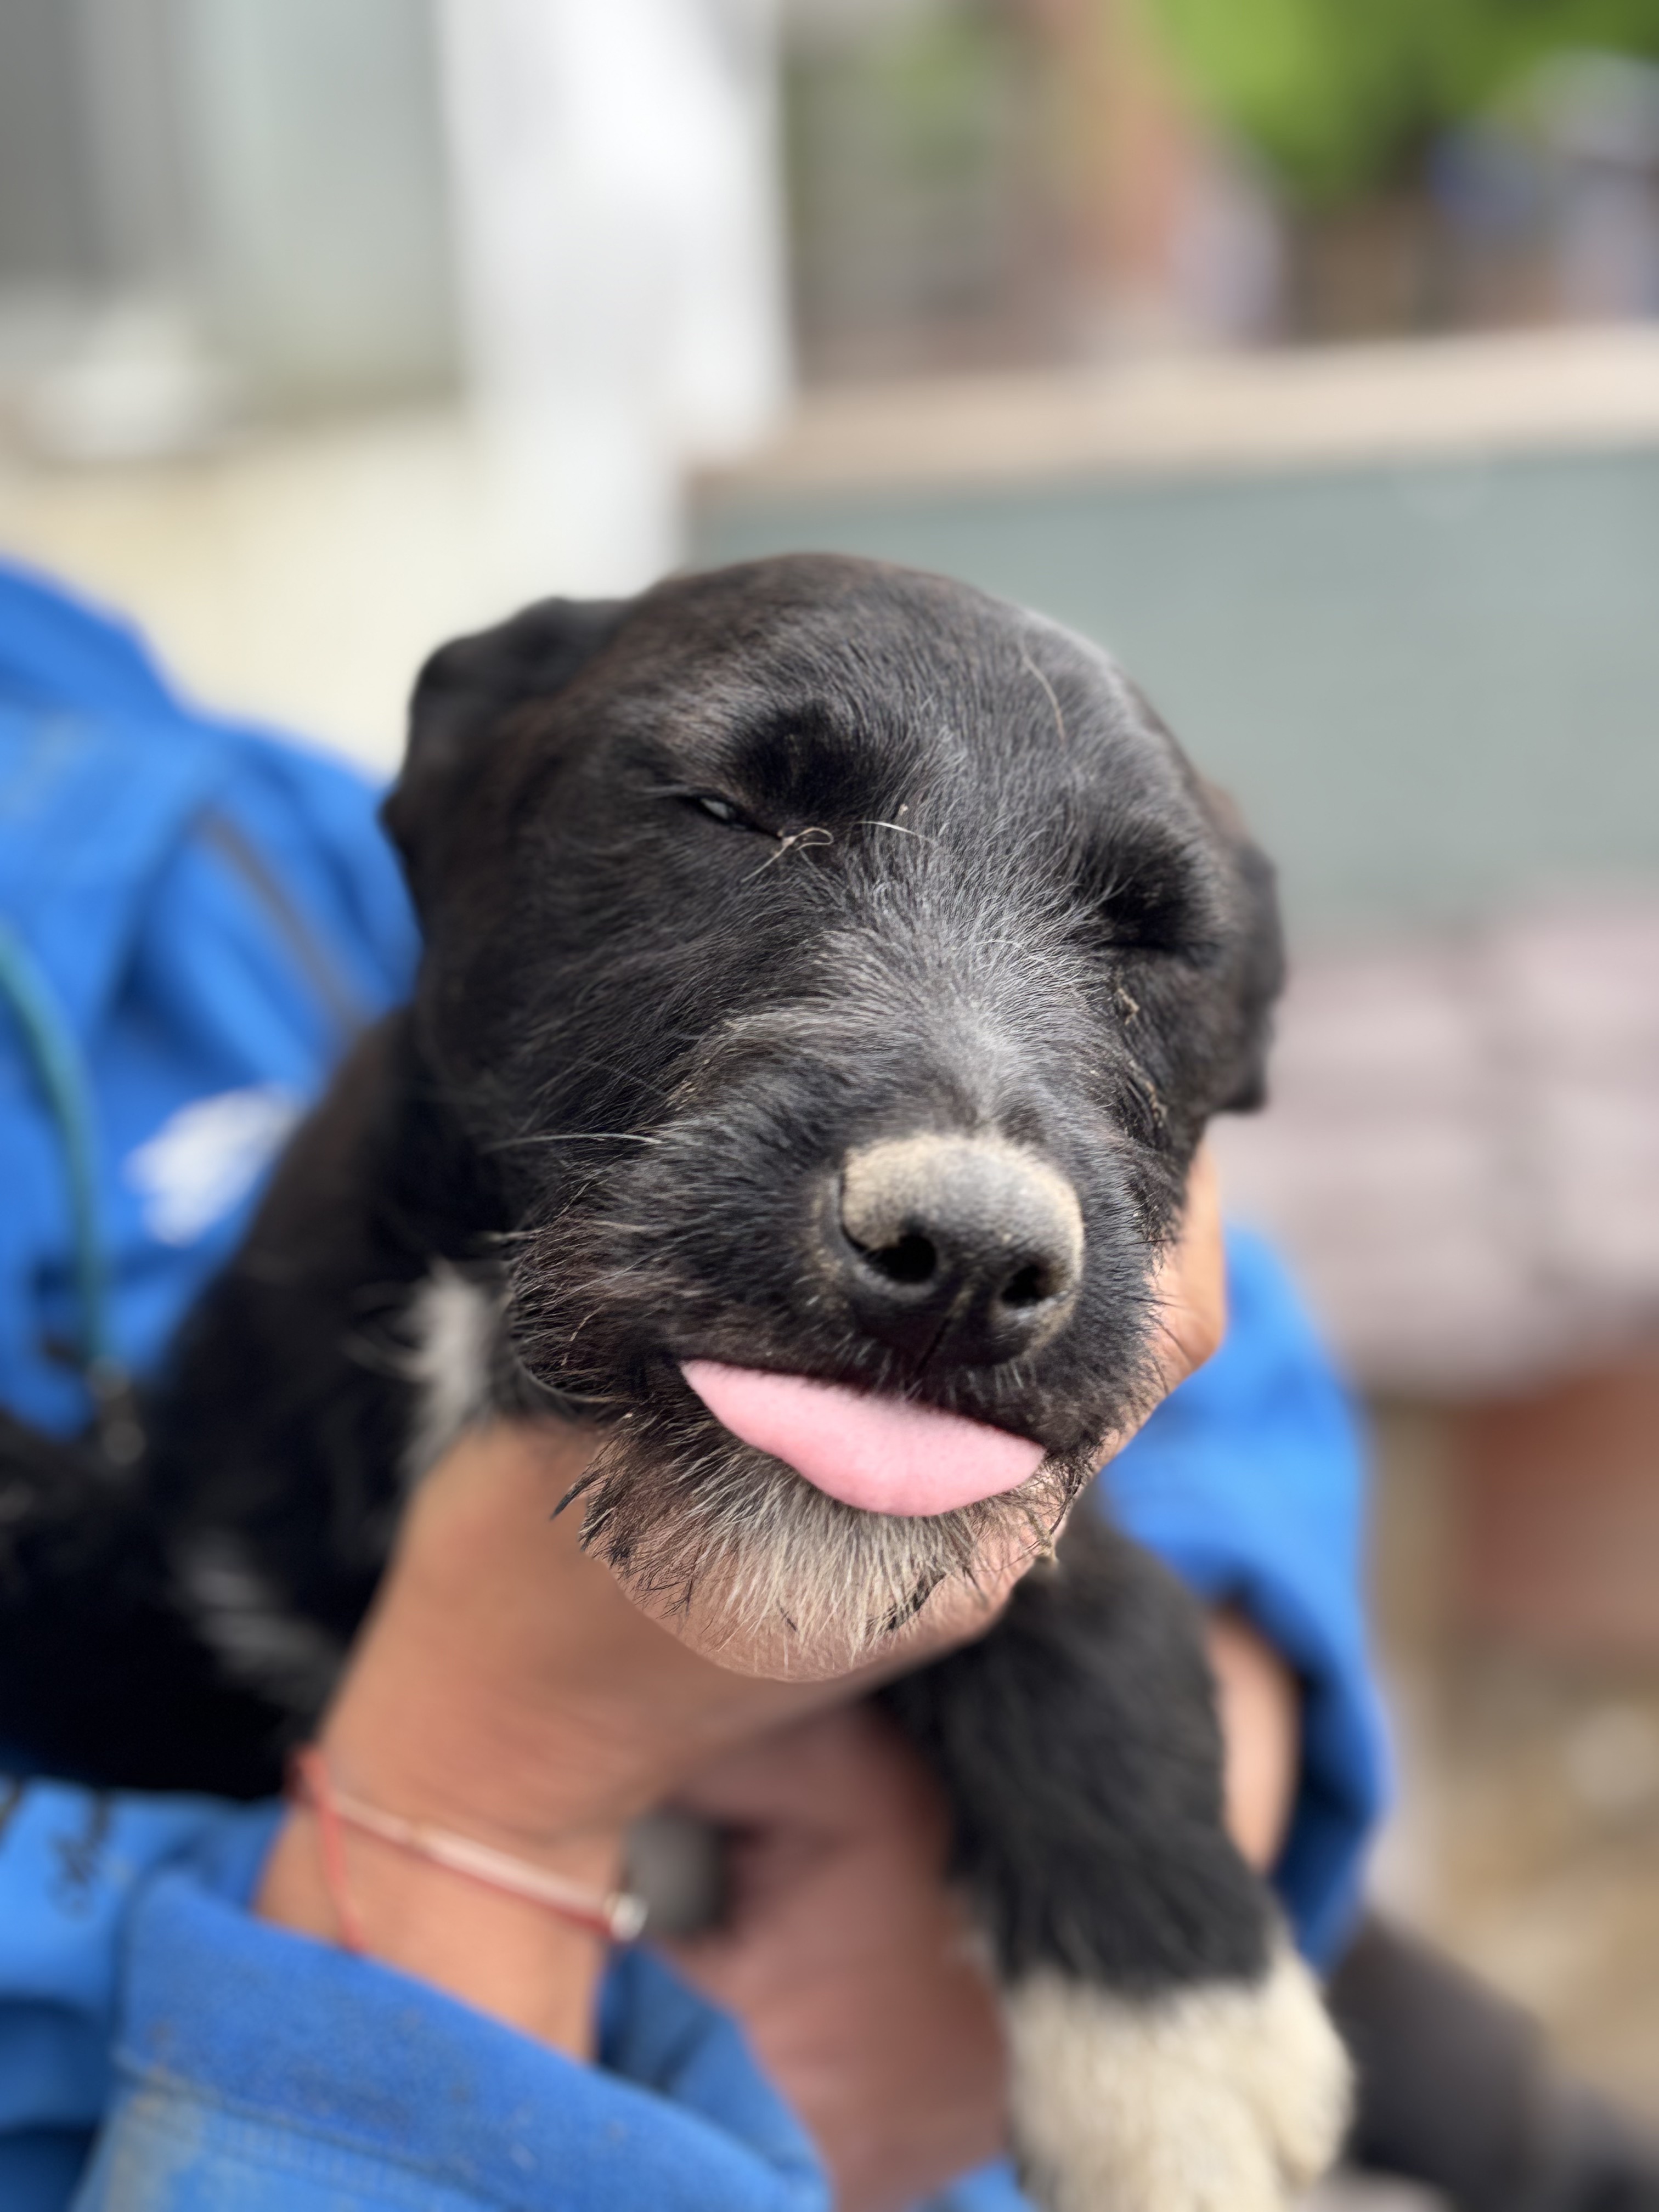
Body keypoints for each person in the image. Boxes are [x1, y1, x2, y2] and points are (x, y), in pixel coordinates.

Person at [0, 561, 1387, 2209]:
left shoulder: (229, 812)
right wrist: (486, 1789)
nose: (979, 1206)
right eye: (732, 815)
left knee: (1500, 2110)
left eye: (1144, 948)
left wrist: (1173, 1713)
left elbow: (1225, 1327)